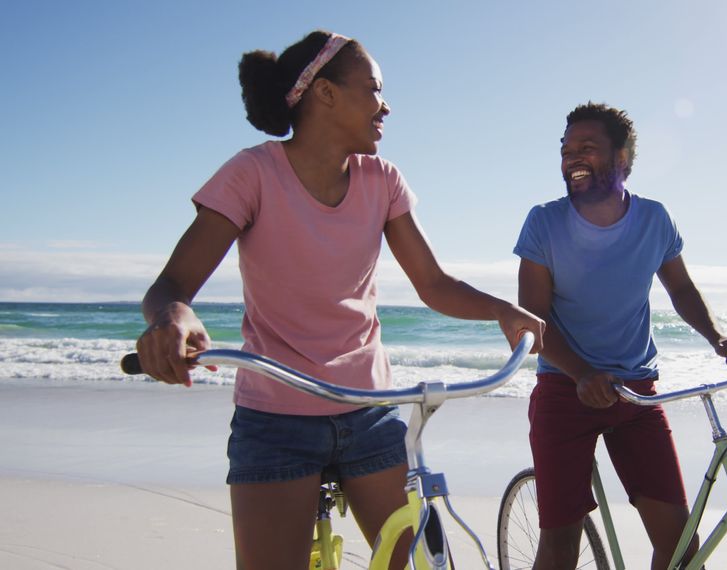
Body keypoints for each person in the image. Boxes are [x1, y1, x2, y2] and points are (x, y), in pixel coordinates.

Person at [135, 30, 544, 570]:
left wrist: (502, 310)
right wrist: (172, 318)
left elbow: (433, 283)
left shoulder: (383, 179)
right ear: (324, 93)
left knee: (425, 562)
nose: (386, 105)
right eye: (373, 89)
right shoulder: (252, 173)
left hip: (370, 412)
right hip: (275, 418)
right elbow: (171, 287)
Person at [514, 102, 727, 569]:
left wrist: (718, 338)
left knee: (679, 547)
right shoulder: (544, 222)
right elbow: (534, 316)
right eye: (566, 150)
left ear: (623, 158)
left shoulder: (654, 219)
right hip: (565, 391)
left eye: (586, 148)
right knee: (561, 544)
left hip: (636, 395)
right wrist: (582, 373)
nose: (572, 159)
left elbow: (682, 288)